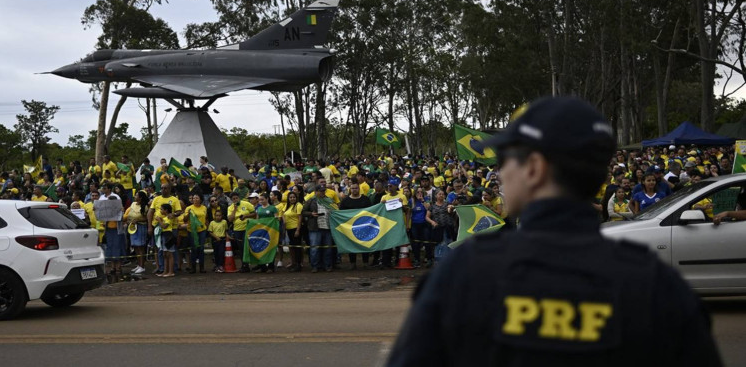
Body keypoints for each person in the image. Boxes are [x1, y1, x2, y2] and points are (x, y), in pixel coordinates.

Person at [388, 96, 722, 366]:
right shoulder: (659, 286)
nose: (500, 171)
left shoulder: (463, 274)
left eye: (505, 157)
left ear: (533, 168)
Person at [339, 182, 372, 269]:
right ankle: (352, 263)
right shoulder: (345, 200)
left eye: (356, 188)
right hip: (350, 227)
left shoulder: (365, 199)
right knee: (352, 244)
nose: (354, 190)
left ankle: (365, 262)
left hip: (364, 225)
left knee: (365, 243)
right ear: (350, 189)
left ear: (359, 188)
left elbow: (371, 211)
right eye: (352, 188)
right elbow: (341, 213)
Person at [303, 185, 334, 272]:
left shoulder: (329, 200)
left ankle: (327, 265)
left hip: (327, 227)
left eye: (323, 191)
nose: (322, 193)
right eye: (320, 191)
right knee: (314, 248)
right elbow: (303, 211)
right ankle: (315, 266)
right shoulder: (311, 200)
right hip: (315, 227)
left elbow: (335, 210)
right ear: (316, 192)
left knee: (328, 248)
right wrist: (311, 214)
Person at [228, 192, 256, 273]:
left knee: (248, 246)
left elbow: (254, 213)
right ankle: (244, 265)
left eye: (236, 198)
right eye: (233, 199)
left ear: (239, 197)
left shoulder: (246, 204)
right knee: (241, 247)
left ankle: (256, 263)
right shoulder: (230, 208)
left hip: (248, 228)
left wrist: (246, 216)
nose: (235, 200)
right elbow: (230, 219)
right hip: (237, 230)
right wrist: (234, 210)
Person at [123, 190, 149, 274]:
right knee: (136, 247)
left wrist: (137, 220)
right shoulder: (133, 204)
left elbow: (146, 218)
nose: (135, 197)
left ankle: (142, 266)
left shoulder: (145, 207)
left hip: (141, 227)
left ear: (140, 197)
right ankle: (138, 264)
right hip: (132, 226)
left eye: (137, 195)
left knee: (140, 246)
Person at [185, 194, 208, 274]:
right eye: (193, 198)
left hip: (202, 230)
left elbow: (206, 218)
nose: (195, 199)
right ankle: (193, 267)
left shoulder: (204, 207)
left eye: (196, 198)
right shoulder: (188, 208)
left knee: (201, 249)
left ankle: (202, 267)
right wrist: (188, 214)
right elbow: (185, 219)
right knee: (194, 249)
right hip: (192, 231)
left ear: (200, 199)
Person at [282, 191, 304, 272]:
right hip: (289, 228)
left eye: (294, 197)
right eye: (290, 197)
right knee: (292, 246)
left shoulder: (298, 205)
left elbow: (300, 218)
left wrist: (298, 230)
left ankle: (299, 264)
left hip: (295, 228)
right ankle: (294, 263)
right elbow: (283, 214)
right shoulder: (287, 206)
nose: (292, 199)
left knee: (297, 247)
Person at [155, 203, 176, 277]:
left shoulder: (169, 217)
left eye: (161, 209)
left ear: (166, 210)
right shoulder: (165, 218)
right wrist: (160, 220)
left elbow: (164, 226)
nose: (160, 211)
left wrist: (159, 221)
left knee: (169, 254)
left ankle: (171, 271)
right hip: (164, 235)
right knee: (165, 254)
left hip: (168, 235)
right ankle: (165, 271)